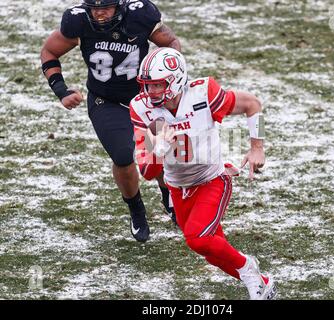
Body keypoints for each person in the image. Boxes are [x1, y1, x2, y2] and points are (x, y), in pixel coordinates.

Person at [129, 47, 277, 299]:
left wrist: (257, 147)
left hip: (212, 178)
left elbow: (253, 104)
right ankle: (261, 282)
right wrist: (159, 149)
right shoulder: (141, 108)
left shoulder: (203, 92)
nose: (151, 92)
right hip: (177, 186)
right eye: (147, 85)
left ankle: (249, 268)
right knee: (211, 252)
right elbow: (147, 170)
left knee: (197, 238)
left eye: (157, 85)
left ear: (175, 80)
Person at [40, 0, 181, 243]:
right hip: (106, 100)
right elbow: (49, 51)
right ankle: (136, 209)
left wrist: (166, 73)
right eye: (94, 7)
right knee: (123, 156)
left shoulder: (140, 16)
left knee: (162, 150)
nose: (99, 13)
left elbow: (171, 44)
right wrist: (61, 90)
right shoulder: (79, 21)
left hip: (147, 98)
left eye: (105, 6)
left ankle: (168, 192)